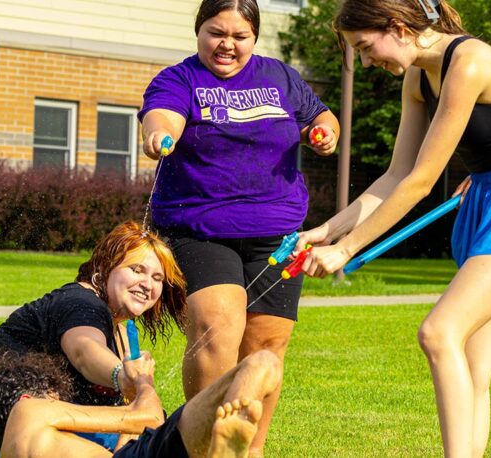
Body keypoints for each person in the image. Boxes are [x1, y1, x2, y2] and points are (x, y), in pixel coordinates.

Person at [296, 0, 491, 455]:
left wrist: (347, 250)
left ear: (397, 26)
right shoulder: (416, 77)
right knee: (471, 362)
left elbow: (421, 182)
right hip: (486, 201)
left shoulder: (468, 64)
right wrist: (327, 231)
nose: (368, 62)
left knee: (439, 332)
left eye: (366, 48)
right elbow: (394, 176)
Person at [138, 0, 340, 454]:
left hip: (278, 230)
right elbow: (163, 114)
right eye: (216, 32)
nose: (226, 44)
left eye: (239, 36)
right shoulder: (180, 78)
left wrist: (324, 132)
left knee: (267, 346)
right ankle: (201, 444)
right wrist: (159, 134)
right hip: (199, 227)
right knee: (218, 322)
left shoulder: (280, 76)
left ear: (254, 37)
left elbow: (322, 116)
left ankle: (248, 449)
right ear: (199, 31)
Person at [0, 221, 188, 457]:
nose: (147, 284)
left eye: (157, 278)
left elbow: (130, 426)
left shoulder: (123, 336)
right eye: (137, 270)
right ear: (105, 267)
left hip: (49, 413)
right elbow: (84, 350)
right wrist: (123, 376)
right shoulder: (81, 302)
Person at [0, 349, 283, 458]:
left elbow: (134, 436)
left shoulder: (20, 445)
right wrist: (143, 382)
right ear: (37, 391)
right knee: (263, 363)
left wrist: (130, 403)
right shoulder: (29, 408)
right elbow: (148, 416)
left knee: (263, 364)